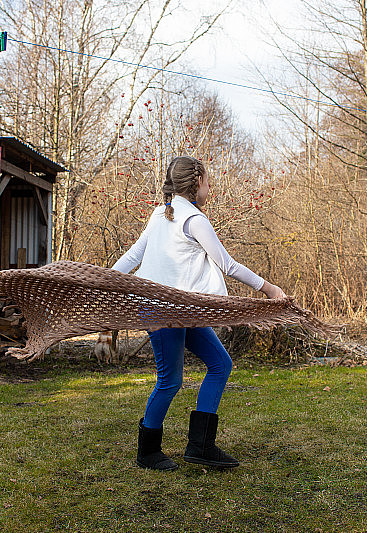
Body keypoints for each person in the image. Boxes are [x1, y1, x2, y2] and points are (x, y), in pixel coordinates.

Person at [111, 155, 286, 471]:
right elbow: (227, 264)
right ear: (196, 184)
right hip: (161, 309)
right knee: (170, 380)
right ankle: (147, 451)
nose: (210, 186)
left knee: (220, 364)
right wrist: (270, 289)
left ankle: (201, 446)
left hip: (184, 310)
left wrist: (109, 276)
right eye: (208, 181)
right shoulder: (192, 219)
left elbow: (135, 255)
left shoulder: (164, 214)